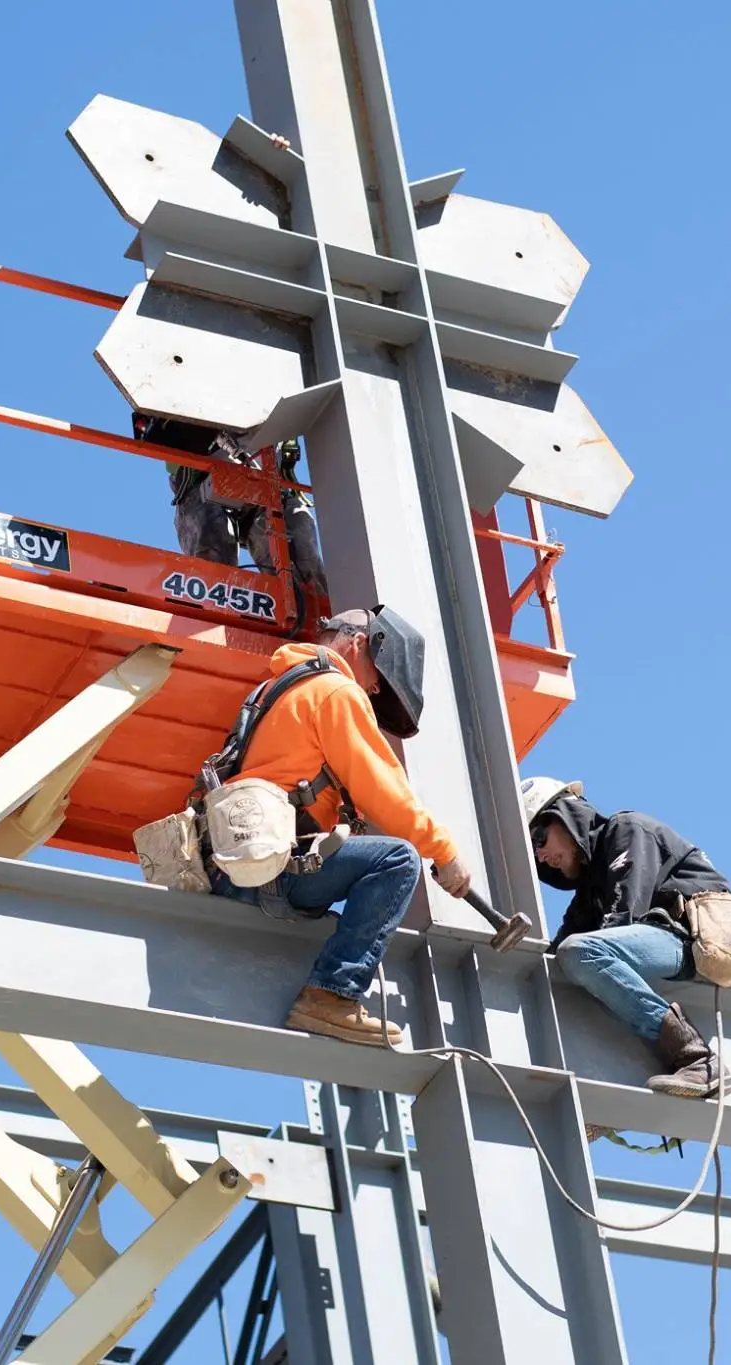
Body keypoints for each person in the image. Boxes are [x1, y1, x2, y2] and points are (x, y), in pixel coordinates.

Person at [206, 606, 468, 1045]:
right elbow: (387, 795)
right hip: (275, 873)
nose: (371, 688)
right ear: (360, 643)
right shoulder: (335, 692)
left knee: (366, 860)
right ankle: (332, 996)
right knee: (398, 861)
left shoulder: (278, 688)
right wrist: (445, 853)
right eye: (375, 678)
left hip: (233, 866)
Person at [522, 776, 731, 1098]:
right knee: (566, 960)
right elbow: (554, 960)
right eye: (532, 850)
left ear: (566, 814)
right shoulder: (588, 892)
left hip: (689, 941)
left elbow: (625, 914)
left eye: (539, 838)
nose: (540, 856)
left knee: (580, 952)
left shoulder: (627, 829)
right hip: (659, 950)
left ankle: (696, 1058)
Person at [136, 412, 328, 595]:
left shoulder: (276, 391)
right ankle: (213, 612)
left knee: (297, 534)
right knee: (213, 554)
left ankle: (316, 614)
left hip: (266, 484)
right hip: (204, 482)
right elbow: (159, 435)